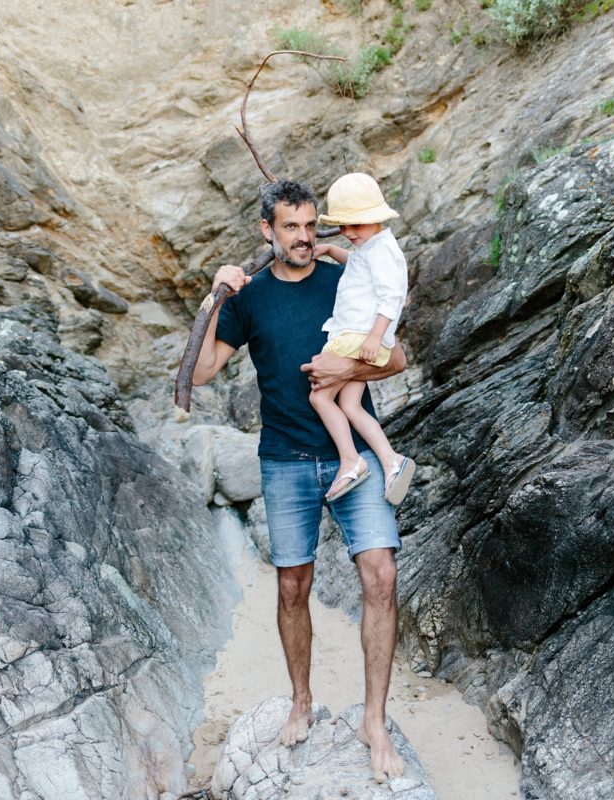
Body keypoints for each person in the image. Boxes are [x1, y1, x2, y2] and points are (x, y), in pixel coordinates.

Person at [192, 179, 407, 783]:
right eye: (293, 227)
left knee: (382, 574)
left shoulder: (346, 279)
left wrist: (350, 364)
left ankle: (376, 720)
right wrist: (215, 299)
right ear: (268, 231)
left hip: (354, 455)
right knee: (292, 587)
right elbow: (205, 371)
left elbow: (399, 357)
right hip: (285, 458)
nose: (306, 238)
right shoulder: (251, 297)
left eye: (313, 226)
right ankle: (301, 699)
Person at [310, 173, 415, 505]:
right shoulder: (372, 246)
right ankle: (391, 461)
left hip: (355, 336)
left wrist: (375, 336)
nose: (349, 233)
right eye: (343, 226)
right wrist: (329, 248)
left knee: (319, 398)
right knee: (350, 404)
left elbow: (391, 296)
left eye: (357, 225)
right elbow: (357, 265)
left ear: (377, 217)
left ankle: (351, 459)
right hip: (359, 335)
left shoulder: (381, 251)